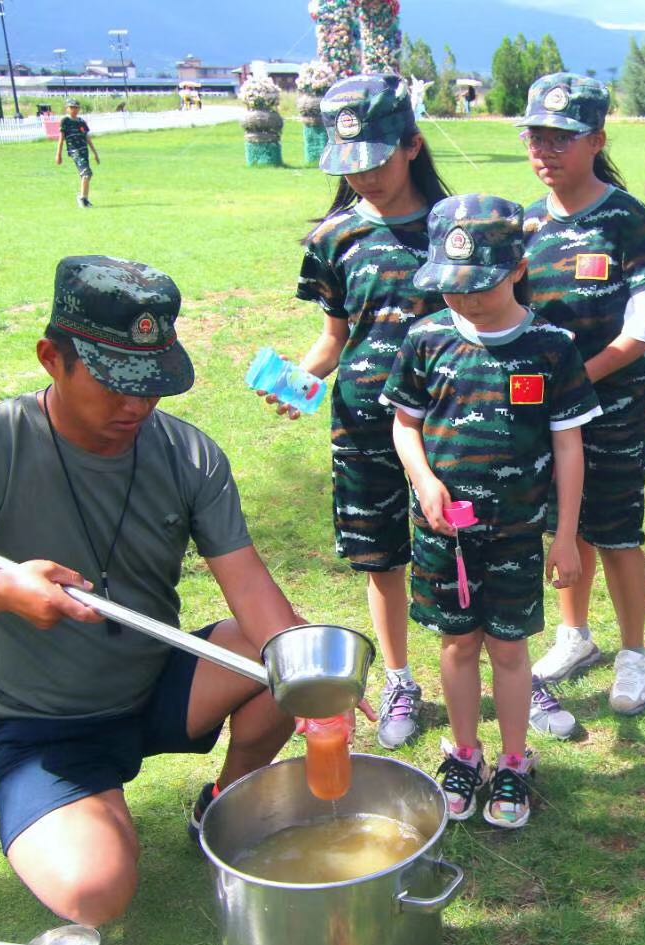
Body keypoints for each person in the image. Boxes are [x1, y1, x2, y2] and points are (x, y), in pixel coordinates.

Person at [0, 256, 316, 927]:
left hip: (156, 685)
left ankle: (226, 804)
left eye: (153, 385)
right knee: (96, 893)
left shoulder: (189, 455)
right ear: (52, 358)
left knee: (288, 654)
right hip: (44, 725)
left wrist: (314, 674)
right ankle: (84, 806)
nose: (137, 406)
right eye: (115, 384)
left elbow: (248, 583)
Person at [382, 195, 600, 828]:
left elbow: (569, 446)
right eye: (452, 287)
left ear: (518, 269)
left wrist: (564, 536)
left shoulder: (551, 346)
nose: (466, 300)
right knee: (456, 644)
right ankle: (465, 753)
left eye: (480, 285)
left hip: (515, 535)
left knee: (508, 649)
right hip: (442, 535)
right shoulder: (426, 338)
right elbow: (405, 424)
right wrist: (424, 481)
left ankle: (512, 760)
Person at [283, 75, 449, 750]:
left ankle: (493, 663)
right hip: (362, 426)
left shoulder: (454, 228)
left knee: (462, 551)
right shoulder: (333, 238)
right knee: (382, 557)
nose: (365, 176)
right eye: (349, 163)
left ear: (412, 145)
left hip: (449, 428)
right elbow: (335, 339)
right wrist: (299, 380)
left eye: (377, 159)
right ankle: (401, 679)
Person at [517, 73, 645, 716]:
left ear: (597, 141)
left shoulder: (628, 221)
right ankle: (575, 635)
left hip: (610, 412)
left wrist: (574, 380)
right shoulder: (524, 223)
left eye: (562, 137)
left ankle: (634, 652)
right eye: (537, 136)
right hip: (545, 415)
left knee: (615, 531)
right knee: (564, 523)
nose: (546, 150)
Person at [54, 99, 100, 208]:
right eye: (72, 107)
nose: (74, 110)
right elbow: (61, 138)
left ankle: (84, 198)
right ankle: (82, 199)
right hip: (75, 151)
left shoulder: (81, 122)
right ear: (67, 109)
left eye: (76, 107)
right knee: (86, 173)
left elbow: (87, 138)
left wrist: (95, 153)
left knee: (88, 174)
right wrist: (58, 154)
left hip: (84, 150)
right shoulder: (65, 121)